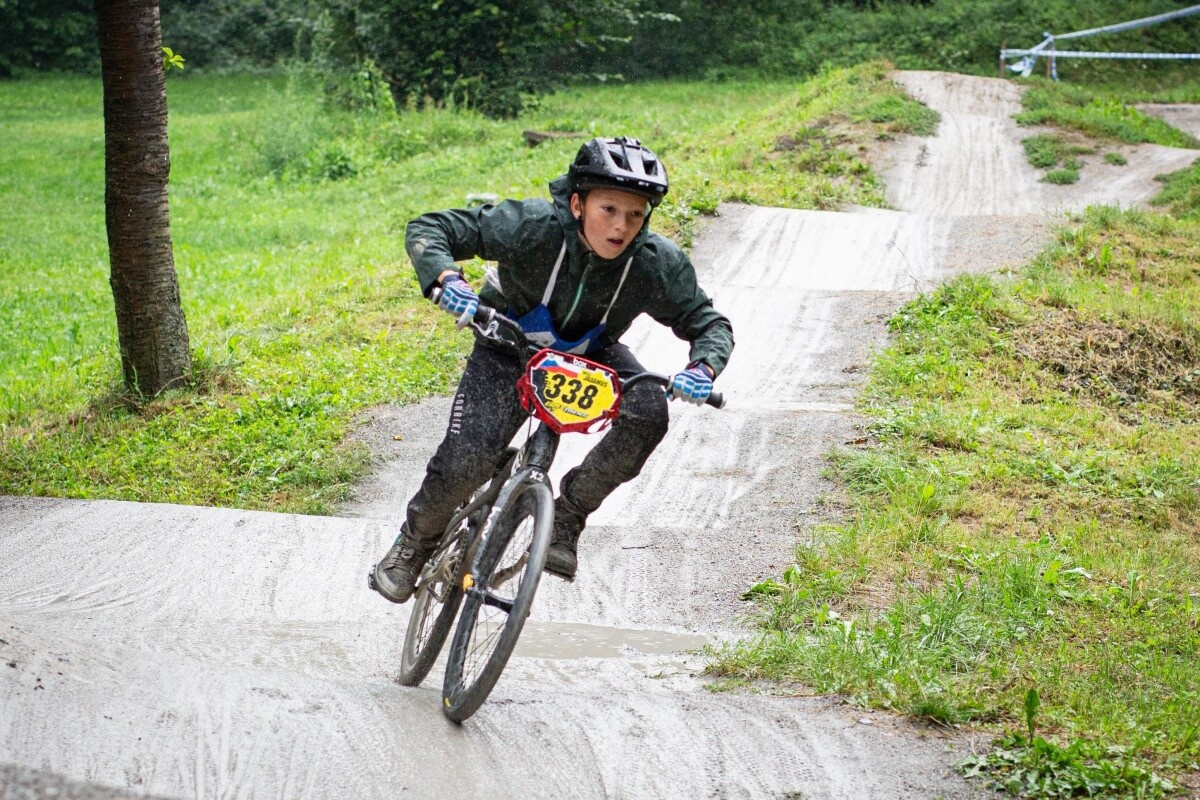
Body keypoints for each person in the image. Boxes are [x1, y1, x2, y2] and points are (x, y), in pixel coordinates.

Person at [371, 135, 734, 603]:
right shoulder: (532, 227)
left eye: (635, 215)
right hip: (506, 347)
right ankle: (413, 544)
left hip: (589, 356)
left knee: (648, 410)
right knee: (466, 461)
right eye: (609, 209)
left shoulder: (654, 264)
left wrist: (703, 368)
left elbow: (708, 322)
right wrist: (446, 278)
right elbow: (431, 228)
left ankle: (567, 516)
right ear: (578, 204)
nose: (621, 227)